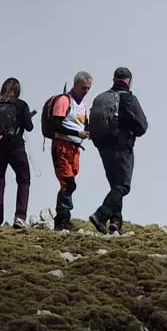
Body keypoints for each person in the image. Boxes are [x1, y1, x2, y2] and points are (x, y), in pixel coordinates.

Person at [85, 66, 149, 234]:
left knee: (115, 186)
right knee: (122, 186)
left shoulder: (102, 98)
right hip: (122, 147)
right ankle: (101, 214)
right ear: (129, 81)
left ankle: (115, 223)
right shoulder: (128, 99)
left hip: (103, 147)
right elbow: (142, 126)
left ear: (114, 79)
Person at [0, 77, 35, 230]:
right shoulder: (21, 105)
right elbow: (29, 127)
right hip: (15, 147)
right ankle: (20, 217)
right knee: (24, 179)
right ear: (17, 90)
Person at [44, 71, 93, 231]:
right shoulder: (65, 100)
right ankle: (63, 218)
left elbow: (85, 124)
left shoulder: (83, 105)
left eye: (88, 88)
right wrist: (76, 133)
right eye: (84, 88)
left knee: (70, 182)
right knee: (68, 183)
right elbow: (56, 124)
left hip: (75, 148)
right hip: (62, 146)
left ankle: (63, 218)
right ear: (76, 84)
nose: (86, 91)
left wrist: (88, 133)